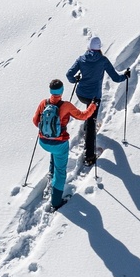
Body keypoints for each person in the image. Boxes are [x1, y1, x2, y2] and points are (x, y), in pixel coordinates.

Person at [33, 79, 97, 209]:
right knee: (61, 171)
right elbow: (83, 116)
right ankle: (56, 202)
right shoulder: (66, 106)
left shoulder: (43, 103)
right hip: (59, 144)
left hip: (43, 141)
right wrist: (93, 105)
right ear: (62, 91)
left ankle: (51, 175)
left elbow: (35, 121)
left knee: (53, 153)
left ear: (50, 90)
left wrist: (47, 130)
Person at [66, 36, 130, 166]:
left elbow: (69, 75)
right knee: (91, 124)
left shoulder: (81, 59)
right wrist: (125, 76)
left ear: (89, 47)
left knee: (88, 111)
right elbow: (116, 78)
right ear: (100, 48)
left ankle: (87, 126)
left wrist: (76, 80)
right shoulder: (103, 60)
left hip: (81, 93)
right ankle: (89, 157)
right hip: (94, 97)